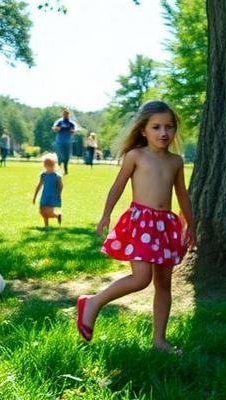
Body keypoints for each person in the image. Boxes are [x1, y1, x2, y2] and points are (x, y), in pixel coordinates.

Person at [77, 100, 196, 354]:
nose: (163, 133)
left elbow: (182, 195)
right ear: (143, 130)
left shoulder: (176, 161)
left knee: (164, 284)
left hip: (165, 226)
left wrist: (191, 226)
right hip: (141, 223)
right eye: (156, 127)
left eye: (169, 127)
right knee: (141, 278)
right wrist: (105, 215)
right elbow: (118, 186)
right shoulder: (136, 156)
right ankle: (92, 303)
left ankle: (159, 340)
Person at [32, 155, 65, 230]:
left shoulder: (57, 176)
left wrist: (59, 193)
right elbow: (39, 186)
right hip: (45, 195)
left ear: (53, 165)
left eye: (49, 164)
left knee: (48, 210)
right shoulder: (43, 175)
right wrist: (35, 196)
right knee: (42, 211)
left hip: (52, 196)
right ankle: (46, 226)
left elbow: (61, 186)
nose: (46, 166)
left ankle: (57, 215)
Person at [52, 108, 80, 175]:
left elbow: (74, 131)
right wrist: (58, 128)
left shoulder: (71, 123)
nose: (65, 115)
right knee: (60, 155)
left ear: (69, 115)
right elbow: (54, 129)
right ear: (62, 114)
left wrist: (71, 130)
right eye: (64, 114)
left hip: (68, 142)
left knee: (66, 156)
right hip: (59, 141)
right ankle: (59, 168)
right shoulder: (59, 122)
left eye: (67, 114)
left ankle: (65, 169)